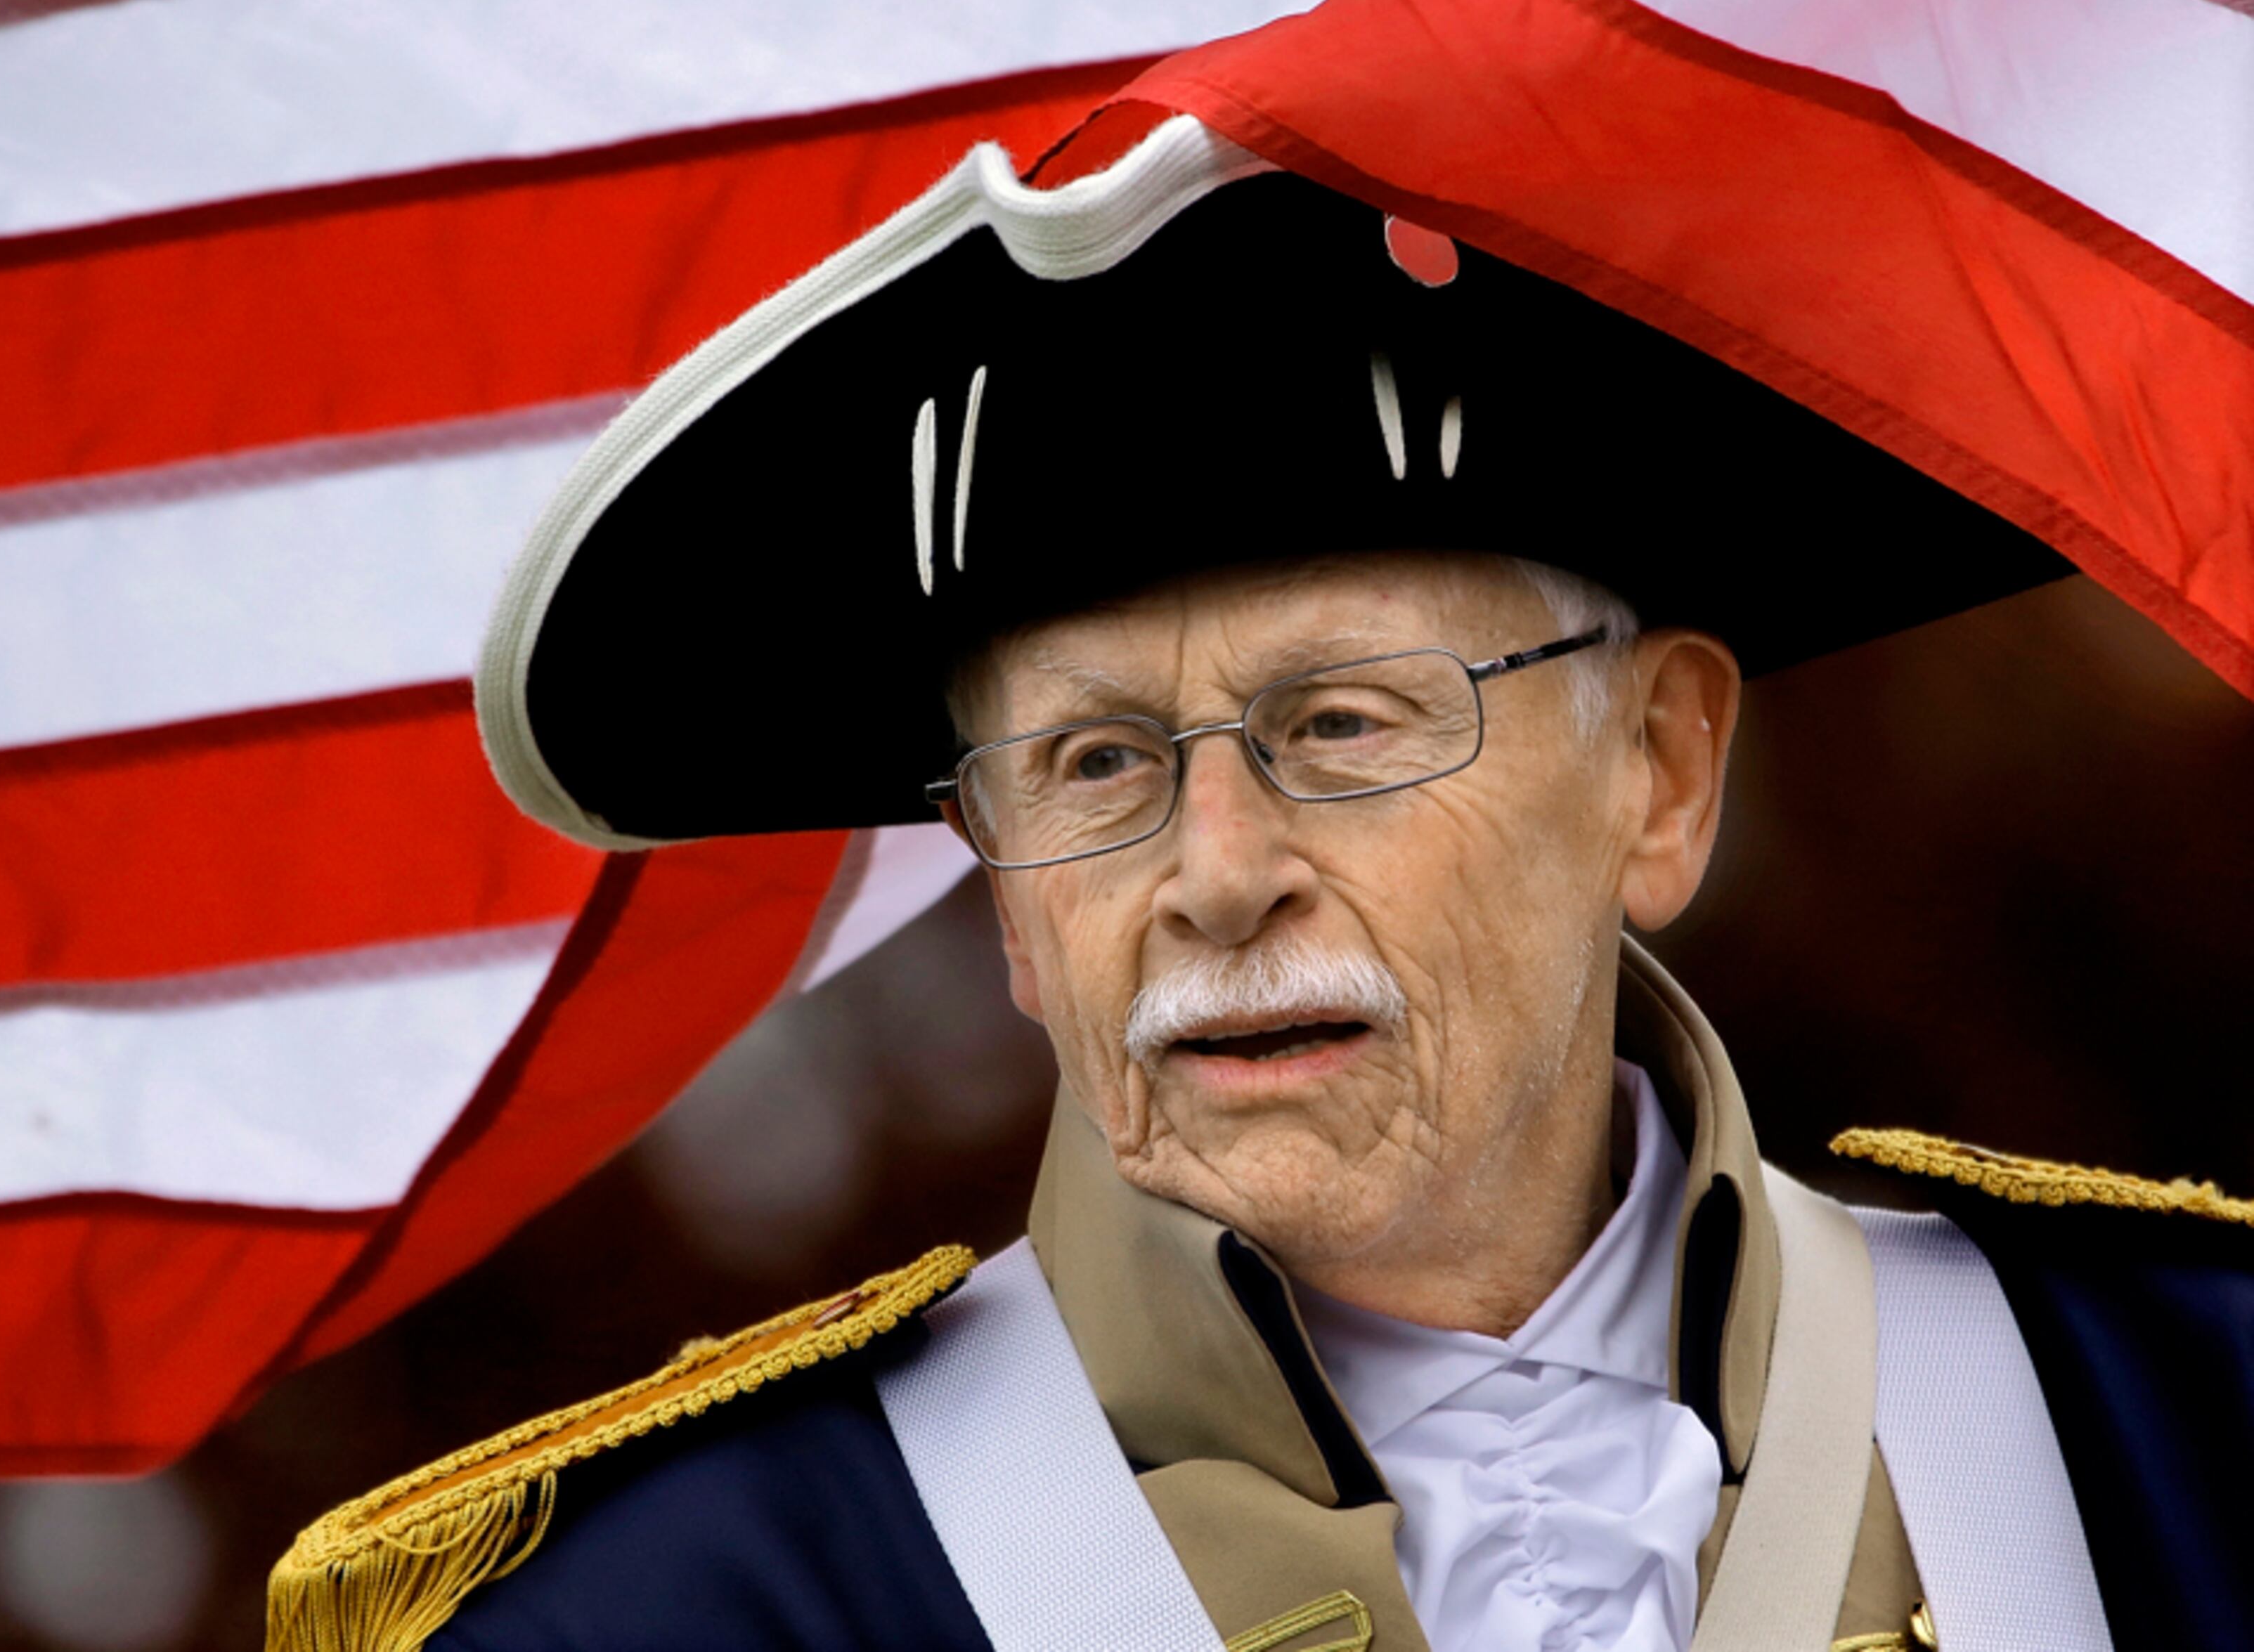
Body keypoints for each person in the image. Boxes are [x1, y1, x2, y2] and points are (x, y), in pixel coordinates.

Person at [268, 115, 2252, 1652]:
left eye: (1344, 726)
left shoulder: (2191, 1416)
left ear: (1658, 772)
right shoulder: (665, 1615)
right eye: (1099, 764)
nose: (1214, 873)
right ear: (1010, 907)